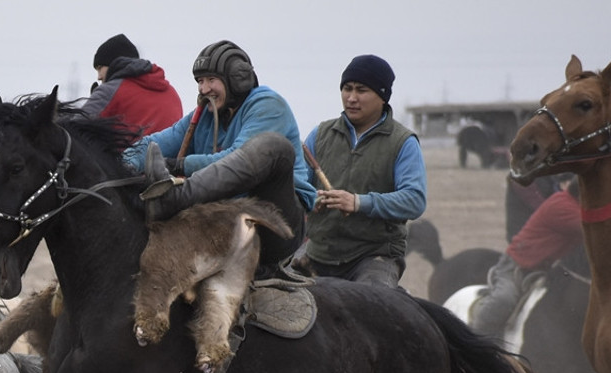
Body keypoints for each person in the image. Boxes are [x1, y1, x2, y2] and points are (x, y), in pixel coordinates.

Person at [128, 40, 317, 279]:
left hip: (277, 222)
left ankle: (174, 199)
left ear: (238, 79)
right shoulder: (205, 114)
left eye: (211, 80)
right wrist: (121, 163)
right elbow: (154, 144)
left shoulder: (268, 105)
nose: (204, 89)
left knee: (273, 146)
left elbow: (234, 157)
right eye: (199, 81)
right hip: (223, 220)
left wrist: (177, 165)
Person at [302, 54, 427, 289]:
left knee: (374, 309)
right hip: (318, 252)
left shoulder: (403, 142)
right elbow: (296, 184)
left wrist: (358, 203)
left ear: (382, 96)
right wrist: (310, 198)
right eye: (347, 89)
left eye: (361, 90)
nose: (351, 98)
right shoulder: (320, 135)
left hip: (374, 256)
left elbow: (414, 200)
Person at [470, 175, 583, 336]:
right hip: (516, 267)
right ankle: (475, 341)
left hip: (546, 270)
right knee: (504, 299)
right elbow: (595, 228)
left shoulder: (569, 204)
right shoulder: (563, 206)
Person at [81, 33, 183, 135]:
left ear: (113, 65)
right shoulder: (171, 91)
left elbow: (74, 127)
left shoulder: (110, 91)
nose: (99, 77)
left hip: (129, 151)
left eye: (99, 68)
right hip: (173, 151)